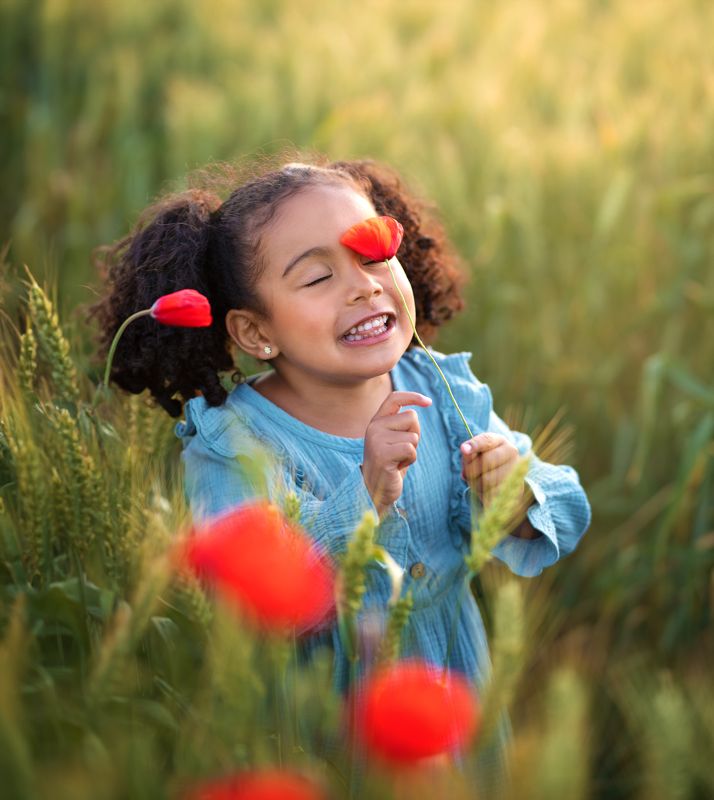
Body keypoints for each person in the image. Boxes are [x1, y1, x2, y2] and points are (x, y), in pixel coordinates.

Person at [91, 156, 591, 700]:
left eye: (374, 256)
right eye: (318, 276)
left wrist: (514, 497)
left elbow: (567, 506)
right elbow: (250, 601)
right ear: (256, 331)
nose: (363, 287)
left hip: (449, 695)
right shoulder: (235, 443)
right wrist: (365, 493)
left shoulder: (442, 389)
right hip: (324, 720)